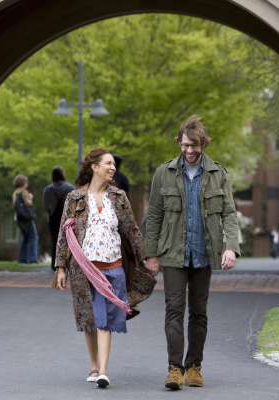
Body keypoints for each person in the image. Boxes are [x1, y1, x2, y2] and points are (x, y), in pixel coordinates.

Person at [145, 115, 241, 390]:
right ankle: (175, 368)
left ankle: (194, 367)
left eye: (195, 146)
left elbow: (229, 213)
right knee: (174, 309)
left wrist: (231, 247)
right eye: (185, 144)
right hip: (172, 253)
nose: (189, 150)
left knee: (199, 312)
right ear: (179, 142)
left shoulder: (218, 173)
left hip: (203, 253)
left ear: (203, 145)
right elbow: (154, 215)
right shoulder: (164, 173)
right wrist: (151, 254)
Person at [55, 148, 156, 388]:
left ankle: (103, 370)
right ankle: (94, 365)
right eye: (108, 164)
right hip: (83, 269)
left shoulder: (119, 196)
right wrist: (60, 267)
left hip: (113, 267)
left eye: (114, 164)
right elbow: (63, 233)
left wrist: (149, 257)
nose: (113, 168)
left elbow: (132, 231)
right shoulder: (74, 198)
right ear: (94, 167)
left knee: (105, 317)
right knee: (89, 317)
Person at [43, 166, 75, 271]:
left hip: (53, 220)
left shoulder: (48, 189)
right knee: (68, 241)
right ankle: (68, 263)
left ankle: (55, 264)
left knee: (55, 242)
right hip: (67, 219)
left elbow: (45, 206)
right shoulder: (70, 187)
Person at [12, 174, 38, 264]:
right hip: (27, 219)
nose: (27, 184)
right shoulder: (24, 192)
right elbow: (28, 204)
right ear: (23, 183)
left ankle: (21, 259)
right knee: (34, 237)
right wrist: (30, 198)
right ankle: (33, 258)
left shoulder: (15, 193)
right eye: (26, 182)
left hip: (18, 219)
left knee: (25, 238)